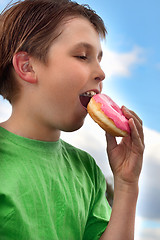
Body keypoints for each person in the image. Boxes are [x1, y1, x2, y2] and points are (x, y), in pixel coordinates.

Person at [0, 0, 144, 239]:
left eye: (99, 59)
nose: (101, 72)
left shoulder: (86, 169)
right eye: (82, 56)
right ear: (27, 67)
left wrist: (127, 184)